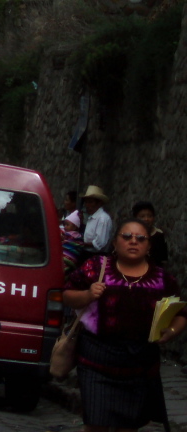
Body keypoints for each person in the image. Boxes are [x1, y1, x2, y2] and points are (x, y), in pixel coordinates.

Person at [64, 219, 187, 431]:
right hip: (96, 360)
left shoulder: (162, 279)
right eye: (126, 236)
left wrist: (171, 332)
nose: (133, 242)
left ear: (149, 246)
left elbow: (181, 312)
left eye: (141, 238)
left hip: (139, 365)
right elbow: (66, 294)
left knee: (128, 426)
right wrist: (87, 294)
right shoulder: (96, 267)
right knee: (96, 423)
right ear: (115, 242)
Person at [132, 200, 168, 267]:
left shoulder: (158, 235)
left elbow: (163, 259)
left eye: (149, 216)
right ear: (135, 218)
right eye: (142, 216)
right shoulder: (130, 235)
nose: (146, 219)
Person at [82, 185, 113, 254]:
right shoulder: (92, 217)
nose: (87, 205)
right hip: (88, 253)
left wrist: (81, 244)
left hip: (97, 256)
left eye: (90, 202)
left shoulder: (102, 218)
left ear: (99, 203)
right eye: (86, 202)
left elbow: (99, 243)